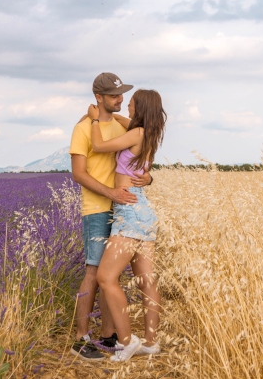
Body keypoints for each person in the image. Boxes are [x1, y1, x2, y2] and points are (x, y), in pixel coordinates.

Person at [69, 73, 153, 362]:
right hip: (98, 208)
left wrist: (148, 177)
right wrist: (111, 192)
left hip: (121, 209)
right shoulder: (82, 128)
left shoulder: (121, 125)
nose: (120, 99)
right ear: (99, 98)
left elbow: (143, 144)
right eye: (115, 95)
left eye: (122, 95)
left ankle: (108, 338)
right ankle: (81, 339)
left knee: (111, 276)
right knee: (94, 273)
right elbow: (78, 173)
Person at [88, 88, 166, 362]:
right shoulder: (148, 134)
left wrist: (95, 119)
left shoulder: (137, 133)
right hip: (143, 211)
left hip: (130, 213)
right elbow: (125, 123)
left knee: (106, 278)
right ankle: (150, 342)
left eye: (130, 104)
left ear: (140, 107)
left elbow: (98, 146)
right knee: (146, 279)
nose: (126, 107)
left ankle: (126, 340)